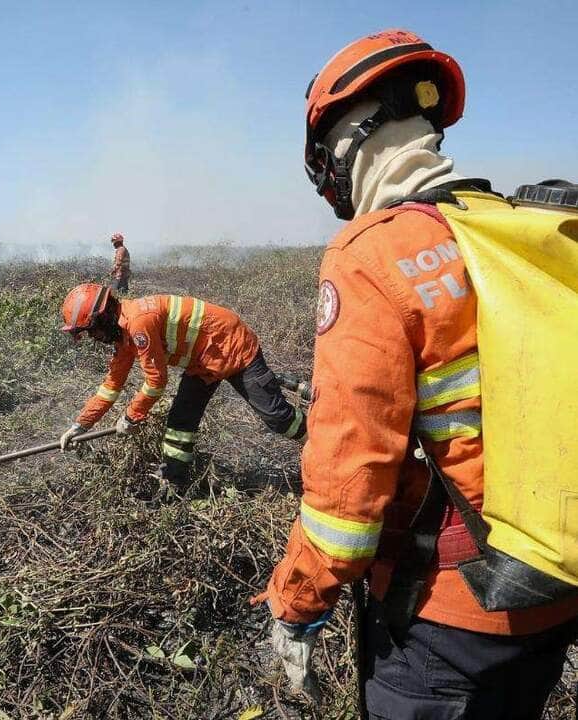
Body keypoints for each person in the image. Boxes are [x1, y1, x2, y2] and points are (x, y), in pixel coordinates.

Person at [249, 29, 578, 719]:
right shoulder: (521, 230)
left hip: (445, 619)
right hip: (551, 588)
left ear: (345, 146)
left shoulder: (374, 252)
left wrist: (296, 603)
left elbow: (347, 490)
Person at [57, 283, 304, 495]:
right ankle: (174, 483)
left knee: (278, 418)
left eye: (91, 331)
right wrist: (80, 425)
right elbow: (112, 385)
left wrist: (131, 417)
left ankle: (322, 442)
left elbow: (156, 382)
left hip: (233, 347)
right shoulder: (123, 334)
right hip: (202, 363)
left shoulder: (138, 324)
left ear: (102, 317)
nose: (93, 338)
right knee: (179, 424)